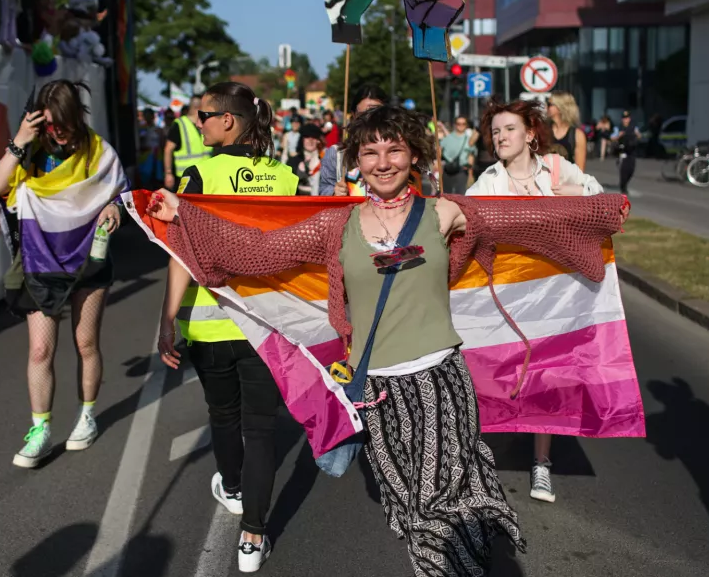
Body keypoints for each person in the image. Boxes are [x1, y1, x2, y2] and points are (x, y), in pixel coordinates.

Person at [147, 104, 629, 576]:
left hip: (442, 383)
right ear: (356, 161)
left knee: (440, 501)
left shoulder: (444, 213)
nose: (382, 163)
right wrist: (183, 213)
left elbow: (526, 220)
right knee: (408, 507)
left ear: (413, 155)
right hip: (377, 392)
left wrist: (602, 211)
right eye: (370, 152)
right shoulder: (337, 226)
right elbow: (256, 249)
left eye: (394, 150)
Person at [156, 81, 298, 573]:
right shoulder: (283, 178)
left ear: (228, 120)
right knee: (261, 429)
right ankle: (253, 539)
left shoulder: (200, 174)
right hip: (264, 321)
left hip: (209, 322)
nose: (198, 123)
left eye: (204, 115)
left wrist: (166, 318)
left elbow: (180, 250)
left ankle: (233, 488)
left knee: (223, 415)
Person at [466, 99, 603, 503]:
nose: (500, 137)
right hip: (504, 295)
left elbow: (604, 201)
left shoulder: (557, 169)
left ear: (529, 134)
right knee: (496, 372)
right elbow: (465, 220)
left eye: (509, 129)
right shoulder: (488, 181)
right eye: (495, 131)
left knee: (548, 377)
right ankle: (482, 458)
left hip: (553, 294)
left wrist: (578, 191)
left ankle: (541, 463)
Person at [0, 80, 126, 469]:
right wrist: (20, 139)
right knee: (40, 350)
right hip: (40, 260)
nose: (56, 131)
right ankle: (41, 429)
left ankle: (86, 416)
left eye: (62, 122)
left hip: (88, 257)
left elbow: (119, 191)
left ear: (77, 116)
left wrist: (114, 207)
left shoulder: (98, 151)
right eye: (48, 124)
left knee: (86, 343)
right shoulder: (29, 150)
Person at [318, 84, 387, 196]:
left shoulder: (397, 153)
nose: (369, 119)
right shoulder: (337, 154)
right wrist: (334, 192)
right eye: (363, 114)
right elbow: (323, 190)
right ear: (354, 115)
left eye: (376, 113)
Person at [163, 95, 210, 191]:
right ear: (200, 108)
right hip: (186, 177)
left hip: (206, 174)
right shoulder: (179, 124)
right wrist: (168, 173)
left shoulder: (207, 124)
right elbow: (168, 150)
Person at [546, 92, 587, 171]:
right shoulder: (543, 131)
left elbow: (580, 170)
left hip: (567, 178)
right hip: (545, 177)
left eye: (549, 104)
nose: (546, 107)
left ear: (560, 107)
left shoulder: (577, 135)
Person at [440, 116, 475, 195]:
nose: (461, 126)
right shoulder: (448, 138)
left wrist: (470, 174)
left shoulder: (469, 140)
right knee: (446, 195)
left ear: (466, 125)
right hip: (447, 170)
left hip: (462, 171)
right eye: (458, 123)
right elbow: (439, 151)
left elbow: (471, 156)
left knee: (460, 195)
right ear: (455, 124)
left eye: (463, 124)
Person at [288, 124, 325, 195]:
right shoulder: (293, 161)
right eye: (307, 137)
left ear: (318, 141)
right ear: (302, 140)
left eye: (314, 137)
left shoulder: (325, 160)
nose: (310, 141)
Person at [613, 111, 641, 194]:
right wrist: (619, 135)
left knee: (631, 169)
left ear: (629, 119)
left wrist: (638, 135)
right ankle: (623, 186)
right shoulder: (618, 127)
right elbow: (613, 137)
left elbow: (639, 136)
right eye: (624, 118)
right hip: (622, 150)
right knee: (624, 170)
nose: (626, 120)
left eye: (627, 118)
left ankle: (625, 183)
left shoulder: (633, 127)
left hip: (631, 150)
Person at [136, 107, 162, 190]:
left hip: (157, 158)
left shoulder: (158, 129)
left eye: (149, 115)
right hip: (145, 158)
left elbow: (163, 143)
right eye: (146, 116)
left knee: (157, 180)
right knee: (146, 179)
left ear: (153, 116)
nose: (148, 118)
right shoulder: (141, 129)